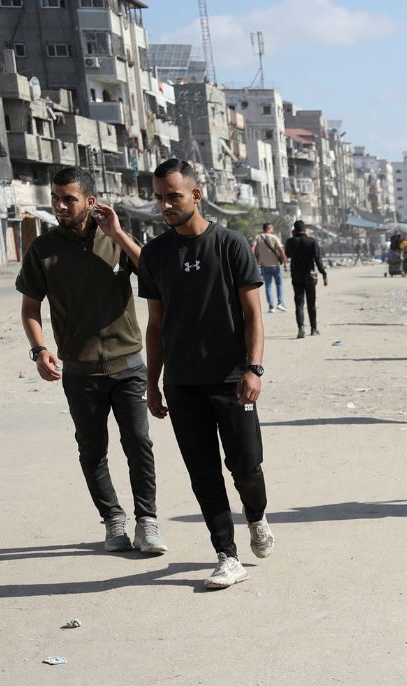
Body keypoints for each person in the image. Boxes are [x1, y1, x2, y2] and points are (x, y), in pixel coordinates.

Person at [17, 166, 166, 556]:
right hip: (80, 371)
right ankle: (113, 520)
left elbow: (154, 275)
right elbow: (30, 307)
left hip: (128, 365)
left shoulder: (114, 240)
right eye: (56, 198)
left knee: (138, 443)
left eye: (69, 199)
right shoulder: (43, 250)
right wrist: (40, 349)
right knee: (92, 448)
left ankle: (147, 521)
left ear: (90, 201)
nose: (61, 206)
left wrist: (118, 233)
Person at [138, 159, 273, 591]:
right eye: (159, 196)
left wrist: (253, 368)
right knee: (203, 472)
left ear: (196, 195)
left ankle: (256, 516)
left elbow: (254, 315)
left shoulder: (231, 244)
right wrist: (153, 383)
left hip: (232, 378)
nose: (165, 205)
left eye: (173, 195)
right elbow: (155, 325)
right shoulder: (156, 254)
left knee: (246, 466)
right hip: (182, 384)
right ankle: (225, 554)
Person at [284, 220, 328, 339]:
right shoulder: (312, 242)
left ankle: (301, 327)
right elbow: (317, 260)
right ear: (305, 229)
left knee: (299, 303)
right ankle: (313, 329)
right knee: (311, 303)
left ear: (294, 229)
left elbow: (286, 255)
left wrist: (293, 238)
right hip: (309, 276)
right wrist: (324, 274)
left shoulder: (290, 241)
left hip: (296, 276)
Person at [252, 222, 286, 313]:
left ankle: (271, 306)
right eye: (272, 228)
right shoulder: (274, 237)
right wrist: (285, 263)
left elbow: (252, 248)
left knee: (268, 286)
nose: (273, 230)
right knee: (279, 284)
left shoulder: (258, 237)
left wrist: (252, 260)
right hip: (276, 266)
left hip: (264, 265)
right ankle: (280, 303)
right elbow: (281, 250)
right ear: (269, 228)